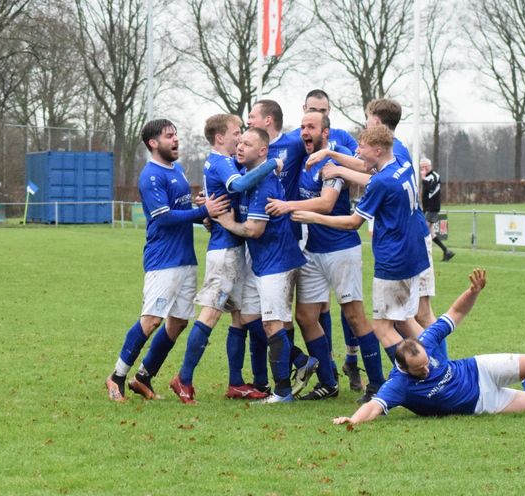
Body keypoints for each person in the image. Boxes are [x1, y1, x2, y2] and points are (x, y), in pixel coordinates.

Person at [332, 268, 525, 425]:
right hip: (484, 402)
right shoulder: (398, 385)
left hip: (480, 368)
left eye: (427, 362)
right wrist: (353, 420)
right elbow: (374, 406)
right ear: (404, 369)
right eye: (422, 370)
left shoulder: (425, 343)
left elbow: (453, 314)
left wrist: (473, 291)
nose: (428, 366)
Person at [292, 125, 430, 403]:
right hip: (412, 255)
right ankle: (436, 365)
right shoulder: (403, 163)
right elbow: (362, 167)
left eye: (362, 148)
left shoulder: (381, 182)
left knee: (382, 327)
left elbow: (354, 222)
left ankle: (414, 378)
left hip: (393, 260)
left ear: (377, 150)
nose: (357, 153)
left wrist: (312, 217)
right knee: (405, 320)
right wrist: (334, 157)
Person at [104, 119, 228, 402]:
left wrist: (201, 207)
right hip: (163, 260)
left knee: (178, 322)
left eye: (176, 135)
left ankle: (144, 376)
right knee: (150, 320)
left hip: (185, 258)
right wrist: (202, 212)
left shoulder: (178, 171)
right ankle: (117, 376)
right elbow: (164, 217)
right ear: (153, 143)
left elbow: (181, 209)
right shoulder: (150, 176)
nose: (175, 140)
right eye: (169, 136)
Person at [266, 112, 385, 401]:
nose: (304, 132)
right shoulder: (303, 160)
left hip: (341, 249)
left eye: (311, 127)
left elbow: (327, 202)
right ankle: (329, 382)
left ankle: (378, 384)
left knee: (354, 315)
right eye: (302, 126)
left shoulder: (335, 159)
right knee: (305, 316)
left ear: (325, 133)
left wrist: (286, 205)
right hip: (311, 250)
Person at [165, 114, 281, 404]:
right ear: (220, 137)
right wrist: (271, 164)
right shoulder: (220, 160)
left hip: (233, 248)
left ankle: (236, 383)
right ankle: (184, 378)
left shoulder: (225, 161)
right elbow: (239, 187)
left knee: (239, 317)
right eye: (236, 132)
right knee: (211, 313)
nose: (239, 138)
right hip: (224, 249)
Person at [214, 128, 308, 404]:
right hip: (261, 262)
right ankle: (300, 360)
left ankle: (281, 392)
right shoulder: (246, 177)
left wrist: (229, 224)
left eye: (248, 144)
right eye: (240, 142)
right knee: (249, 318)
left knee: (271, 323)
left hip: (277, 262)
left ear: (263, 152)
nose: (240, 147)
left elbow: (254, 230)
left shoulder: (265, 182)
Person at [420, 158, 455, 262]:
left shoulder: (435, 176)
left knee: (424, 230)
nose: (424, 169)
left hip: (432, 208)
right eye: (422, 167)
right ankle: (446, 251)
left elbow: (432, 189)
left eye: (425, 166)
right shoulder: (426, 177)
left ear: (430, 166)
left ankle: (425, 254)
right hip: (427, 208)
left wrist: (423, 179)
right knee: (430, 232)